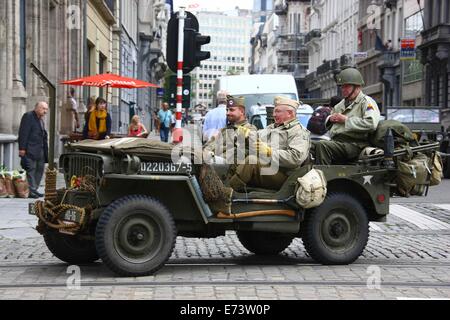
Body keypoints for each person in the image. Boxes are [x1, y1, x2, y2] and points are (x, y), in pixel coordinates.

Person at [228, 96, 311, 191]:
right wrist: (246, 135)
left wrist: (270, 152)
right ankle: (227, 185)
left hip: (284, 177)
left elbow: (296, 157)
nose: (274, 115)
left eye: (278, 111)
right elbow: (257, 137)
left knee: (252, 161)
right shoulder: (273, 127)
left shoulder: (298, 131)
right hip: (268, 168)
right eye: (274, 111)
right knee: (238, 156)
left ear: (290, 113)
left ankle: (228, 192)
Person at [312, 67, 381, 165]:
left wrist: (346, 120)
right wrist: (330, 119)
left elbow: (371, 123)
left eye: (346, 86)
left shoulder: (366, 102)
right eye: (342, 86)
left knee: (322, 145)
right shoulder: (340, 104)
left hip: (355, 144)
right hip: (337, 142)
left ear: (357, 87)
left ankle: (322, 176)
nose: (343, 89)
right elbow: (330, 124)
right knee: (309, 145)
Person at [203, 95, 257, 174]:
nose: (228, 113)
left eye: (231, 110)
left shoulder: (250, 129)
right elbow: (208, 146)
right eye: (227, 110)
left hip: (229, 167)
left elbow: (243, 153)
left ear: (242, 111)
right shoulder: (224, 130)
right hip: (214, 162)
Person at [18, 102, 49, 199]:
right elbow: (23, 133)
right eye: (43, 109)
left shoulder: (41, 120)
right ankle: (32, 191)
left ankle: (34, 189)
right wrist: (22, 148)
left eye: (46, 109)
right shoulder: (28, 116)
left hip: (40, 149)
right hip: (30, 149)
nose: (45, 111)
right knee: (31, 169)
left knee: (40, 169)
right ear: (37, 108)